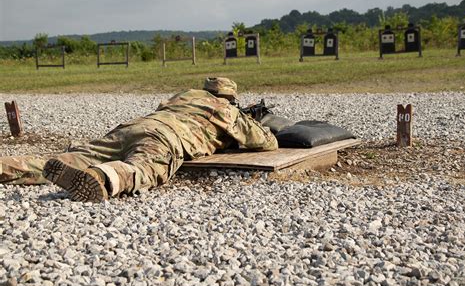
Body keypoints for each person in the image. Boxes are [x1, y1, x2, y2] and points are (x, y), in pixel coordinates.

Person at [0, 77, 278, 202]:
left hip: (131, 128)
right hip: (163, 139)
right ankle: (100, 178)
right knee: (143, 168)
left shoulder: (184, 96)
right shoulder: (226, 110)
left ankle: (6, 167)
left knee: (65, 160)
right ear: (230, 98)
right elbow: (266, 142)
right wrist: (246, 122)